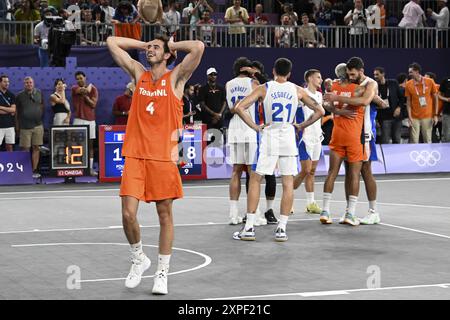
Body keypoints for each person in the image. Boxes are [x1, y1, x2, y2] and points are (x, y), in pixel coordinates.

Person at [106, 33, 204, 295]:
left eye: (155, 48)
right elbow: (111, 42)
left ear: (168, 54)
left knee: (164, 215)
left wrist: (170, 45)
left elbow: (198, 47)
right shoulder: (139, 74)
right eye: (148, 47)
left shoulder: (176, 78)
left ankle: (162, 272)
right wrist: (144, 44)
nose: (150, 50)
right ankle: (139, 258)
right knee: (128, 214)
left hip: (163, 155)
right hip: (136, 153)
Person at [232, 57, 325, 242]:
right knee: (288, 182)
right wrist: (302, 125)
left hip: (269, 138)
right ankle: (282, 228)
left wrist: (255, 126)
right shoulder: (297, 90)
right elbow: (320, 111)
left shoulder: (264, 88)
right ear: (289, 73)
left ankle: (249, 227)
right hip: (289, 139)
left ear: (274, 71)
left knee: (256, 179)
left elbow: (239, 107)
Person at [324, 58, 381, 225]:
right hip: (351, 132)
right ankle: (350, 211)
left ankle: (373, 211)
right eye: (348, 74)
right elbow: (329, 101)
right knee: (350, 172)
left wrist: (336, 97)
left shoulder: (370, 84)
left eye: (352, 74)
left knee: (366, 171)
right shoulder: (349, 85)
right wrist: (337, 107)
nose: (350, 76)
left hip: (366, 133)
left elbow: (364, 101)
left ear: (361, 71)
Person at [225, 57, 262, 225]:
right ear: (246, 68)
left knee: (236, 172)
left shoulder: (228, 84)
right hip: (249, 128)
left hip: (234, 129)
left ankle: (233, 215)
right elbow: (262, 99)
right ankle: (255, 213)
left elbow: (232, 108)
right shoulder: (253, 83)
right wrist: (257, 77)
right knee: (253, 174)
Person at [293, 69, 324, 215]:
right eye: (318, 77)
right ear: (310, 78)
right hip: (304, 137)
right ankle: (288, 198)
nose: (321, 80)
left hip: (317, 137)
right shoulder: (301, 94)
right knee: (305, 170)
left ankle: (310, 203)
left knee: (311, 172)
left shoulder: (319, 95)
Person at [15, 77, 44, 178]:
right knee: (25, 149)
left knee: (36, 148)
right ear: (24, 84)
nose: (29, 84)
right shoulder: (19, 96)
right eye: (27, 83)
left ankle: (34, 170)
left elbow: (41, 105)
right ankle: (26, 171)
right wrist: (17, 126)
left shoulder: (39, 93)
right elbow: (16, 112)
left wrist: (38, 114)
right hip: (25, 127)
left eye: (30, 82)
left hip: (38, 126)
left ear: (33, 83)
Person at [71, 71, 99, 176]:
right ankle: (77, 168)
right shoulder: (74, 88)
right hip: (78, 120)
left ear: (85, 77)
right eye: (77, 78)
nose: (79, 80)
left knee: (90, 145)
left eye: (81, 78)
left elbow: (93, 104)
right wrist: (88, 89)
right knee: (76, 145)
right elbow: (83, 90)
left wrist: (86, 97)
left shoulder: (94, 89)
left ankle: (90, 169)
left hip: (90, 120)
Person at [405, 62, 438, 144]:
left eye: (411, 72)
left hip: (427, 116)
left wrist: (435, 115)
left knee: (427, 140)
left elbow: (435, 99)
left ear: (417, 71)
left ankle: (427, 156)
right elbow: (408, 102)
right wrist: (409, 117)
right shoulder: (408, 84)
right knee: (414, 141)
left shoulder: (430, 82)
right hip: (414, 117)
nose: (409, 74)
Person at [373, 66, 403, 144]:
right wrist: (376, 119)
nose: (375, 76)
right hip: (384, 119)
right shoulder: (374, 86)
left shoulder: (393, 83)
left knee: (397, 140)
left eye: (377, 74)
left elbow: (402, 98)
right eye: (374, 75)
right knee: (385, 141)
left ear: (383, 74)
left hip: (396, 117)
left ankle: (397, 156)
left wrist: (399, 108)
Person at [198, 67, 226, 135]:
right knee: (208, 142)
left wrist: (219, 114)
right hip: (207, 120)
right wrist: (214, 114)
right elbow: (202, 104)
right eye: (211, 74)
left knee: (219, 141)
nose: (213, 76)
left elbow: (224, 102)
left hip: (219, 119)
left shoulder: (221, 88)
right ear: (207, 76)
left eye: (215, 74)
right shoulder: (202, 89)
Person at [0, 74, 16, 152]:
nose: (7, 83)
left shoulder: (11, 95)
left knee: (9, 146)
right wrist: (8, 110)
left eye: (8, 82)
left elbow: (13, 110)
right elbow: (10, 110)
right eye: (5, 81)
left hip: (10, 125)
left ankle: (11, 163)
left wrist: (1, 107)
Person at [439, 76, 450, 142]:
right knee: (446, 135)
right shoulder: (445, 81)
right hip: (447, 111)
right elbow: (439, 95)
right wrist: (447, 99)